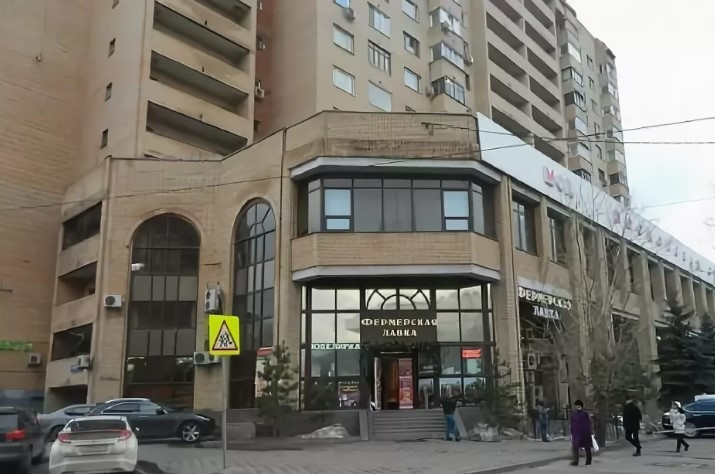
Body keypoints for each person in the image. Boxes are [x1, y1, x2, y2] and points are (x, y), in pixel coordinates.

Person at [570, 400, 593, 466]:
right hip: (584, 432)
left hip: (578, 433)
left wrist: (572, 432)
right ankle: (588, 461)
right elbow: (589, 423)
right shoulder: (585, 414)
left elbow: (572, 424)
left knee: (576, 447)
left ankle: (576, 461)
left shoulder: (574, 415)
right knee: (586, 447)